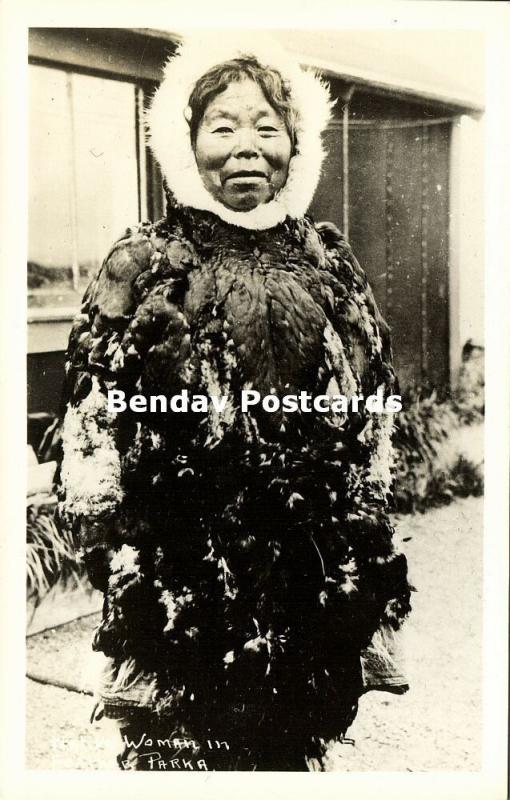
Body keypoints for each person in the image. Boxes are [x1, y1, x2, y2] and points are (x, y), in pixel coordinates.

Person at [56, 33, 411, 771]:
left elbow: (372, 398)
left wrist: (366, 507)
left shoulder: (327, 264)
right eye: (222, 126)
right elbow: (94, 403)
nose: (245, 146)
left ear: (296, 145)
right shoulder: (145, 259)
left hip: (303, 564)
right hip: (184, 565)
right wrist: (107, 524)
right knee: (181, 750)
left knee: (287, 745)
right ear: (187, 145)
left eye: (266, 127)